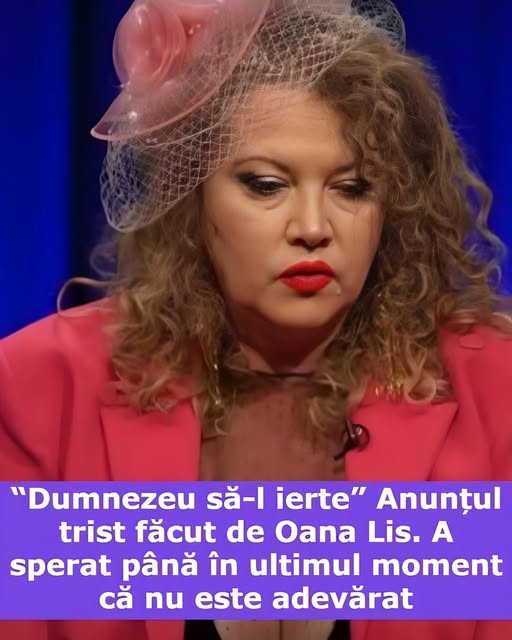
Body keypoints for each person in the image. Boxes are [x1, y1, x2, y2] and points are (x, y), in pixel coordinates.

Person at [1, 0, 511, 639]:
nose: (313, 228)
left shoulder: (494, 388)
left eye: (353, 188)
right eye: (266, 185)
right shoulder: (41, 386)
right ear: (192, 200)